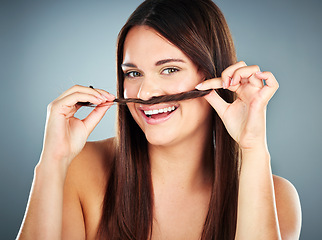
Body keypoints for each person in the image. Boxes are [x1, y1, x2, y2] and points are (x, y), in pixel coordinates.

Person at [17, 0, 302, 239]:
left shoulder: (277, 198)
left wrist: (252, 148)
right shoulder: (80, 169)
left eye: (169, 70)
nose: (146, 92)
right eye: (133, 73)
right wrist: (52, 162)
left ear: (214, 76)